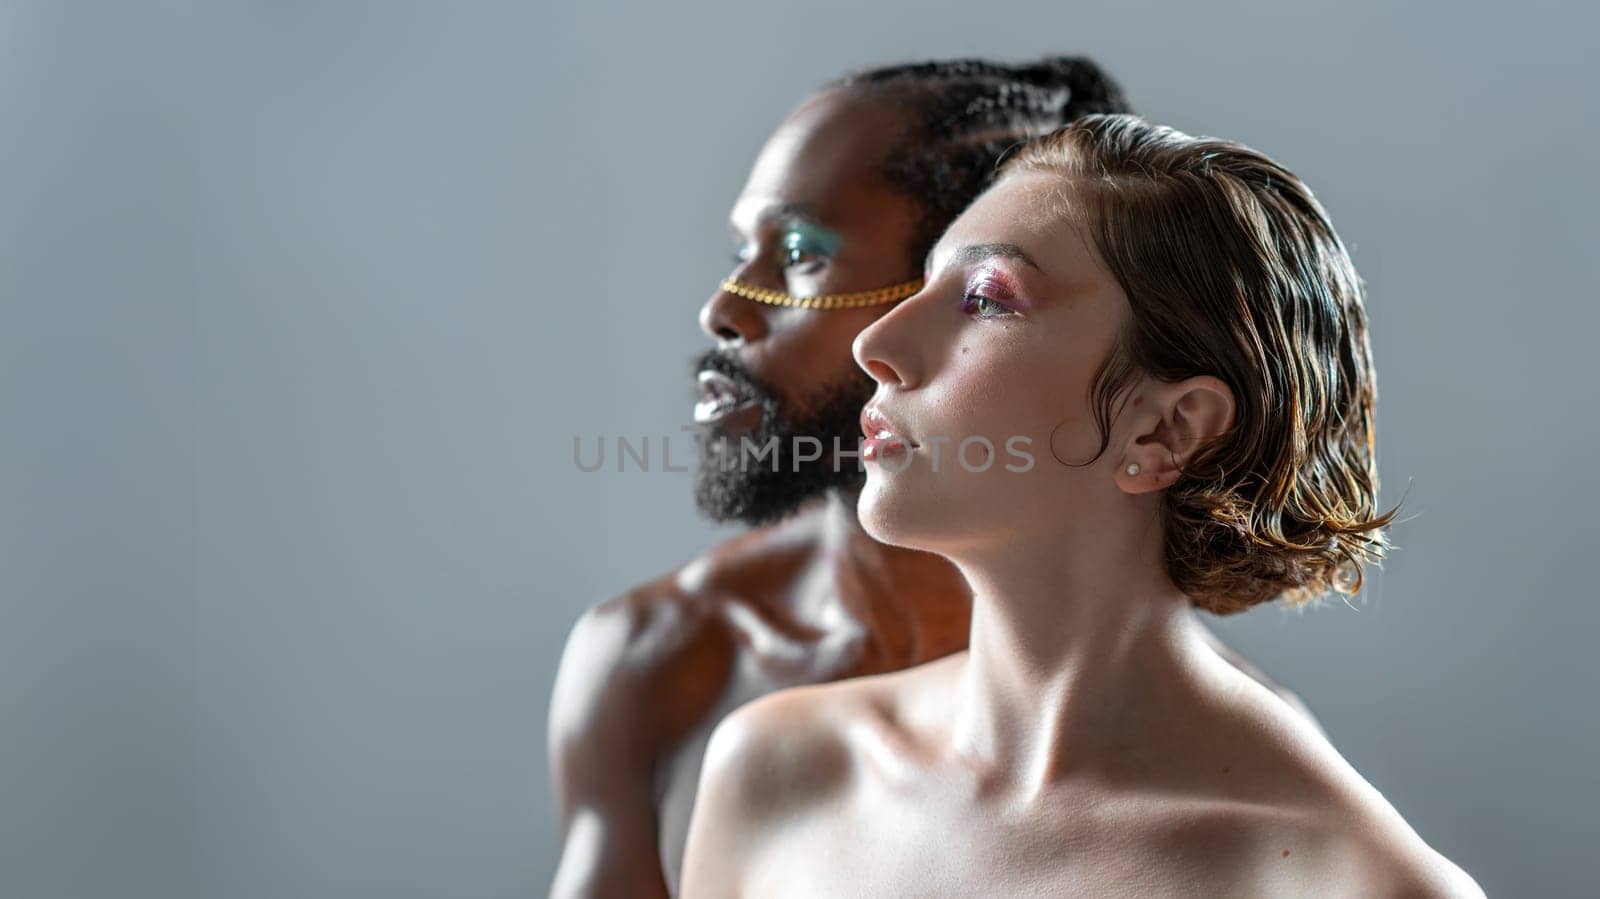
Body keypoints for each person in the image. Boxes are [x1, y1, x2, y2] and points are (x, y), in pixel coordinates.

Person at [549, 62, 1310, 897]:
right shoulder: (673, 668)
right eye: (743, 250)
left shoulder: (1272, 822)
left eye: (801, 254)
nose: (724, 309)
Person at [680, 114, 1483, 897]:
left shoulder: (1350, 882)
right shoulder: (776, 772)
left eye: (986, 299)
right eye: (926, 283)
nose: (874, 344)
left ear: (1165, 428)